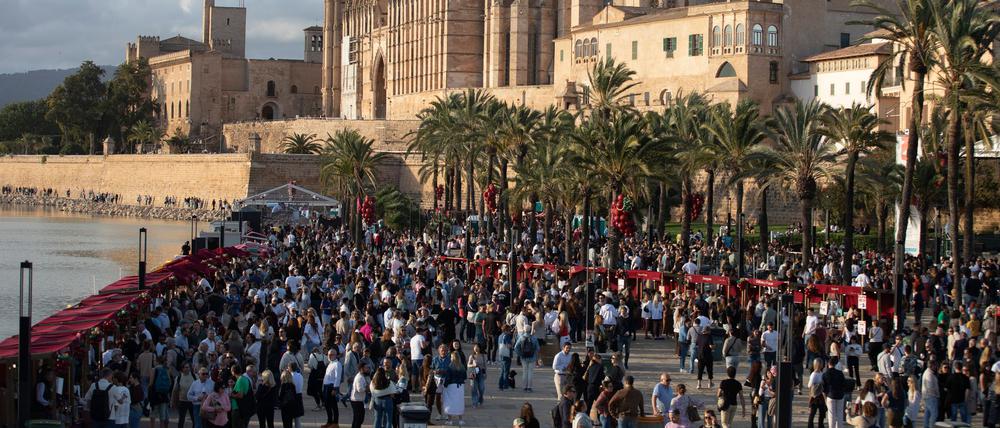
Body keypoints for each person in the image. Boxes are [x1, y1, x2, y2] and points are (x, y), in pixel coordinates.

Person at [442, 351, 467, 425]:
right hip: (460, 386)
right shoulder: (462, 366)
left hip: (451, 386)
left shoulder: (450, 366)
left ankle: (450, 420)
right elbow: (465, 377)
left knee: (450, 402)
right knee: (459, 402)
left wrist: (445, 385)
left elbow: (448, 378)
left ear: (452, 357)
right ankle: (461, 420)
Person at [823, 357, 849, 428]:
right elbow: (844, 384)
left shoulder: (825, 374)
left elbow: (824, 387)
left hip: (830, 395)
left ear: (828, 364)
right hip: (840, 395)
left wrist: (825, 396)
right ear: (835, 364)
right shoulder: (840, 373)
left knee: (831, 414)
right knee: (840, 413)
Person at [323, 348, 343, 427]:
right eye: (329, 354)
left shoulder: (337, 364)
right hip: (326, 387)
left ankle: (335, 423)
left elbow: (337, 377)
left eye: (332, 354)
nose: (330, 356)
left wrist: (335, 388)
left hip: (332, 387)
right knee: (327, 405)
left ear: (336, 355)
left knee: (333, 405)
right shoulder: (330, 364)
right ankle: (329, 421)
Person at [173, 363, 196, 428]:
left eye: (188, 367)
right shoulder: (179, 377)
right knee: (181, 419)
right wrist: (173, 402)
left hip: (192, 401)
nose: (187, 369)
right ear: (182, 369)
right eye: (185, 367)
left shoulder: (195, 376)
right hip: (182, 401)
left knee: (194, 419)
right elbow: (174, 391)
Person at [349, 361, 371, 428]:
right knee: (359, 419)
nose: (368, 369)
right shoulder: (360, 377)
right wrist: (368, 388)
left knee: (357, 418)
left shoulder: (362, 376)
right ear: (361, 369)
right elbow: (360, 389)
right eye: (366, 368)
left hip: (358, 400)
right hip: (356, 401)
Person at [807, 359, 827, 428]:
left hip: (817, 396)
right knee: (816, 413)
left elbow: (809, 385)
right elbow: (810, 385)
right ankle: (816, 426)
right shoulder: (818, 374)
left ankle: (816, 426)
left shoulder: (817, 373)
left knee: (817, 413)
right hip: (817, 396)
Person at [921, 360, 939, 428]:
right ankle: (931, 426)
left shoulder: (928, 373)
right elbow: (930, 387)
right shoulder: (929, 374)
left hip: (927, 396)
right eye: (935, 366)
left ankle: (926, 426)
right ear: (932, 366)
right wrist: (936, 394)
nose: (936, 367)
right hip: (931, 396)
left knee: (927, 414)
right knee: (934, 413)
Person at [468, 343, 487, 407]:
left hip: (481, 373)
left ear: (480, 348)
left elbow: (485, 366)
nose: (476, 348)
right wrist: (473, 365)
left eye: (477, 347)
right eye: (475, 347)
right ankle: (474, 402)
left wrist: (485, 373)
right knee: (474, 388)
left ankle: (480, 398)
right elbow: (468, 365)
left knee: (482, 388)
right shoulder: (472, 356)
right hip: (473, 373)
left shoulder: (483, 356)